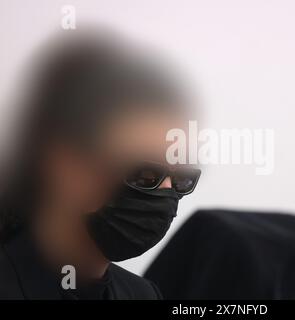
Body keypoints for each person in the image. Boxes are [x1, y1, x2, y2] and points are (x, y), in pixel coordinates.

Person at [0, 29, 200, 299]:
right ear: (67, 167)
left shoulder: (143, 294)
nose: (166, 194)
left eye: (181, 180)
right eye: (145, 174)